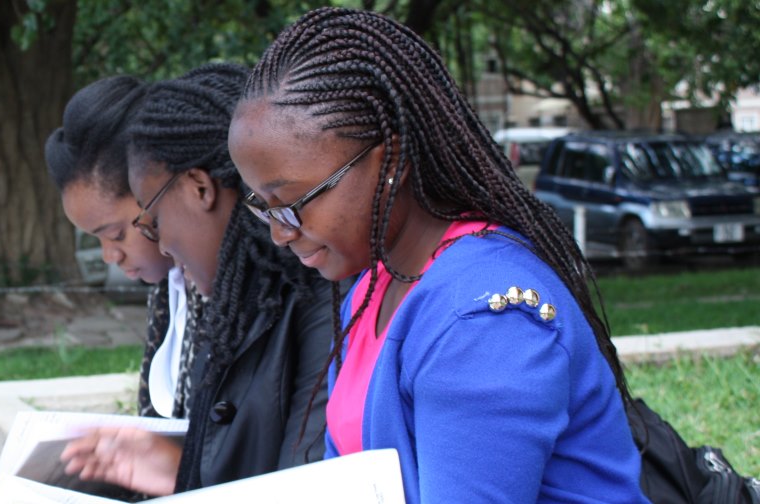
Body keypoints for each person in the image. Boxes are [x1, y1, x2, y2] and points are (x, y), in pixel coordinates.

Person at [227, 8, 646, 502]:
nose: (280, 233)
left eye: (293, 203)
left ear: (392, 163)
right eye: (264, 207)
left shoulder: (482, 322)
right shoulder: (375, 285)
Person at [59, 63, 336, 495]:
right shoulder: (219, 299)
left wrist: (184, 473)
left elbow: (303, 480)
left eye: (152, 222)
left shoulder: (318, 296)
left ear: (200, 188)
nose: (163, 247)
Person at [44, 76, 205, 420]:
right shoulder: (168, 290)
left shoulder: (226, 288)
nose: (109, 256)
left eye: (116, 234)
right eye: (96, 239)